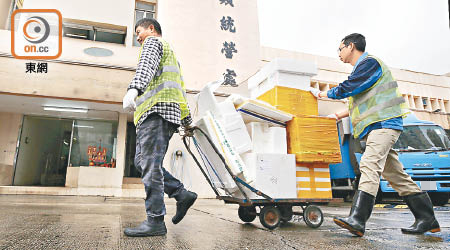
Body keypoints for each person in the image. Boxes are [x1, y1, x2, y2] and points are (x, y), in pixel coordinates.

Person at [309, 33, 440, 237]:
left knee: (369, 165)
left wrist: (322, 94)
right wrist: (335, 115)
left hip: (384, 125)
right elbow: (357, 104)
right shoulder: (363, 71)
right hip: (378, 127)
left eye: (340, 49)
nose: (339, 54)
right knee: (396, 176)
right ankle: (427, 219)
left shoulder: (369, 64)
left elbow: (347, 88)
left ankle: (358, 219)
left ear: (351, 46)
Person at [122, 18, 197, 237]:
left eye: (139, 31)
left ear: (151, 29)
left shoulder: (153, 43)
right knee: (142, 162)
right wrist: (185, 121)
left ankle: (155, 220)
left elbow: (146, 66)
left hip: (156, 112)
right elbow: (180, 91)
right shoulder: (172, 57)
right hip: (166, 114)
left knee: (150, 164)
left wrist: (134, 89)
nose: (138, 36)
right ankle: (181, 194)